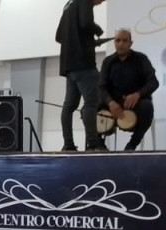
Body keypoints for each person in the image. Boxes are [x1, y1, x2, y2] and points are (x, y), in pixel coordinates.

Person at [56, 0, 109, 152]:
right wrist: (97, 30)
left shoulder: (68, 4)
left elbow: (59, 36)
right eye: (101, 0)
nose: (100, 3)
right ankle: (93, 143)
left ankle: (68, 144)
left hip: (68, 64)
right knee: (92, 103)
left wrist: (82, 41)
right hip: (83, 63)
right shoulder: (85, 1)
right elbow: (86, 23)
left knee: (69, 106)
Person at [99, 28, 159, 151]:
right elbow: (101, 86)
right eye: (118, 40)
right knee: (87, 109)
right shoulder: (108, 62)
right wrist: (110, 102)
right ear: (114, 42)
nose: (121, 44)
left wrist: (137, 94)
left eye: (125, 41)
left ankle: (131, 146)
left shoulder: (141, 59)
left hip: (135, 103)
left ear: (131, 43)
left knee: (147, 107)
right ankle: (100, 147)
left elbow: (153, 82)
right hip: (113, 103)